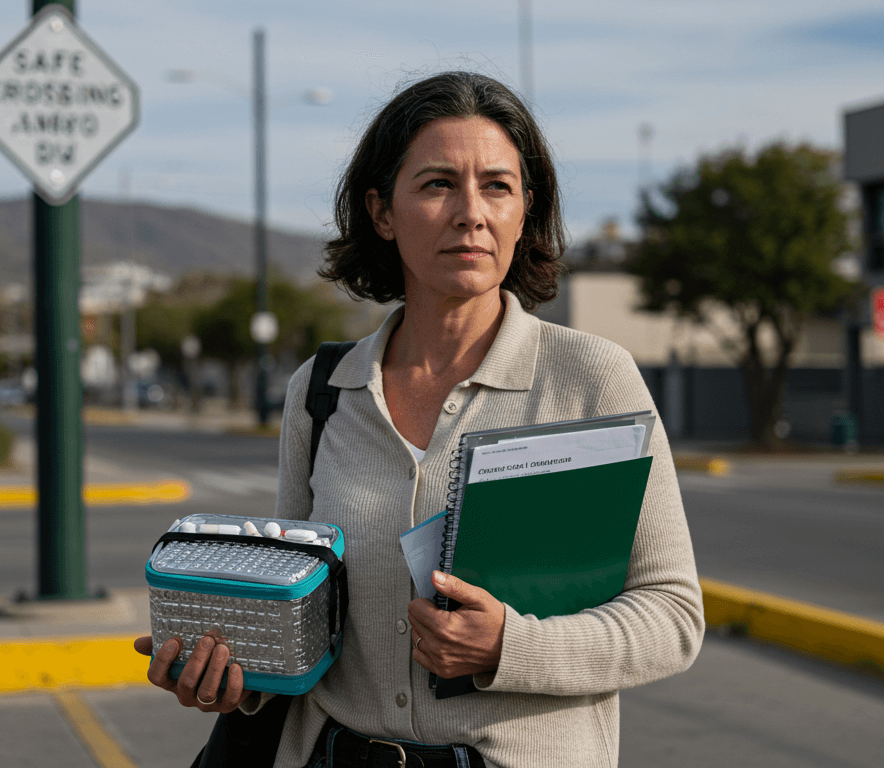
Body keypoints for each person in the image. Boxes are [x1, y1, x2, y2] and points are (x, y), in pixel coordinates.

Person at [135, 71, 703, 767]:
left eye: (497, 186)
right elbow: (301, 619)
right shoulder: (322, 391)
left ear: (526, 208)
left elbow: (673, 617)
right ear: (381, 211)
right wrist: (235, 676)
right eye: (438, 184)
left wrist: (508, 647)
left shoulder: (592, 379)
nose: (471, 212)